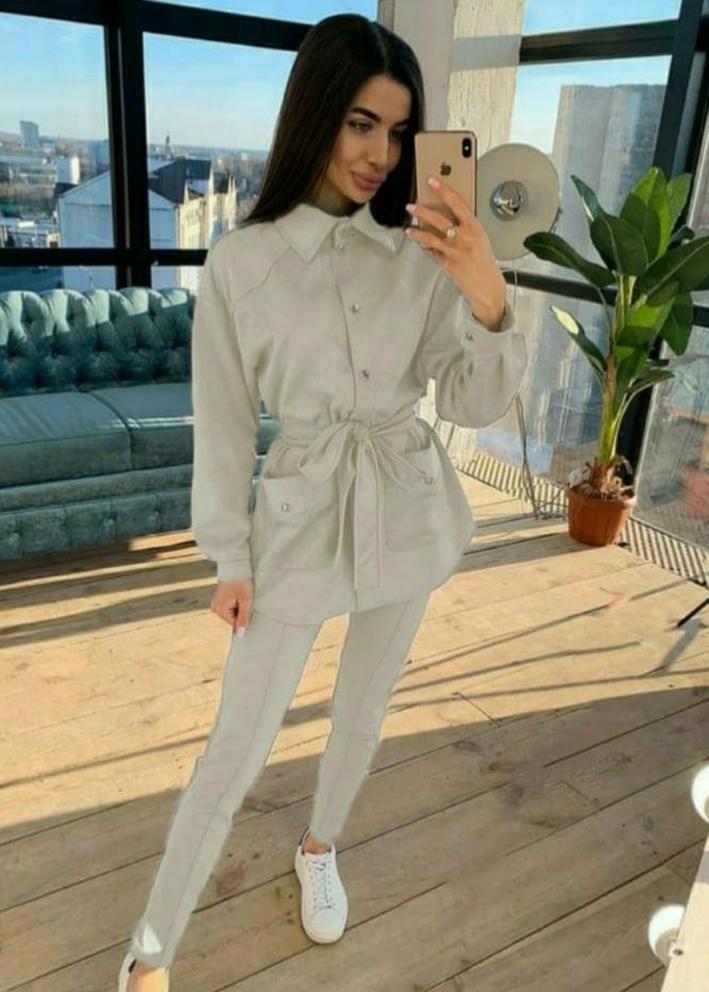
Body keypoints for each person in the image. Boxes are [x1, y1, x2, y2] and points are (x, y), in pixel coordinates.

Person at [118, 11, 529, 991]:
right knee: (237, 743)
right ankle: (153, 945)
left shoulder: (424, 253)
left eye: (398, 132)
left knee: (363, 704)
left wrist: (489, 299)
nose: (380, 154)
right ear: (315, 114)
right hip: (298, 520)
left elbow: (469, 401)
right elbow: (223, 426)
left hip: (408, 499)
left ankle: (319, 846)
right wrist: (229, 555)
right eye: (359, 123)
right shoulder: (242, 262)